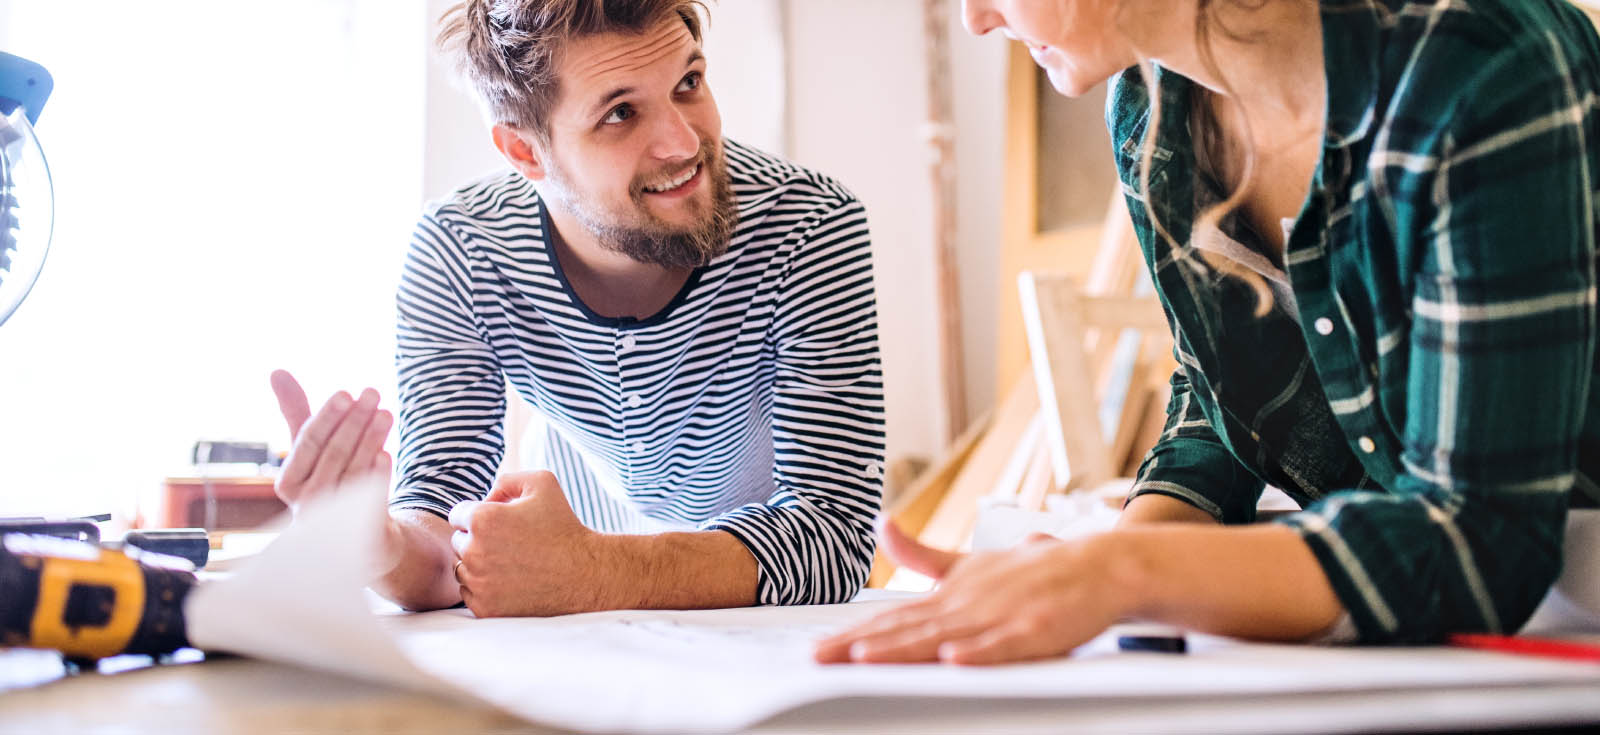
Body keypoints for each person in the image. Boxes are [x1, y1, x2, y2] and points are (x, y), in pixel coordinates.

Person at [818, 0, 1600, 665]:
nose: (976, 19)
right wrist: (1105, 574)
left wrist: (1129, 571)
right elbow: (1222, 404)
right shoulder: (1149, 112)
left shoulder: (1480, 70)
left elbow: (1481, 538)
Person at [270, 0, 884, 617]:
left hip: (757, 614)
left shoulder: (811, 225)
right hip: (572, 609)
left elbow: (835, 536)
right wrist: (376, 546)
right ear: (525, 152)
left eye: (688, 83)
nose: (683, 142)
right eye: (620, 113)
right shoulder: (462, 249)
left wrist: (595, 569)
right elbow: (440, 541)